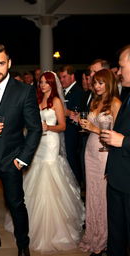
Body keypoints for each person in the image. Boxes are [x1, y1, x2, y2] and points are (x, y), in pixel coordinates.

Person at [4, 71, 85, 253]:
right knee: (33, 178)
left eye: (46, 82)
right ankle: (29, 224)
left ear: (52, 84)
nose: (42, 85)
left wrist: (48, 126)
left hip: (50, 143)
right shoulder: (36, 100)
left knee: (49, 179)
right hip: (37, 145)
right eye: (40, 82)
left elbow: (63, 126)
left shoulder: (56, 101)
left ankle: (53, 229)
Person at [0, 43, 42, 256]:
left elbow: (35, 128)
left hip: (12, 158)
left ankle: (23, 244)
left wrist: (22, 159)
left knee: (15, 203)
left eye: (1, 64)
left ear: (9, 63)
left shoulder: (24, 91)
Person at [79, 69, 121, 256]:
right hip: (91, 150)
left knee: (103, 196)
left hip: (105, 152)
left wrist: (93, 128)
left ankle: (103, 240)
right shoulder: (96, 101)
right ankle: (93, 234)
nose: (96, 86)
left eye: (101, 83)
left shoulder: (115, 103)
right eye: (95, 83)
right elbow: (92, 128)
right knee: (92, 194)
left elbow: (116, 132)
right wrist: (86, 126)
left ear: (109, 83)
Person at [100, 45, 130, 256]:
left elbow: (123, 138)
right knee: (116, 236)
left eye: (121, 67)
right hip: (117, 178)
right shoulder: (127, 94)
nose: (118, 72)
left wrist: (124, 141)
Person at [58, 65, 84, 185]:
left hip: (72, 133)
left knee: (72, 160)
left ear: (72, 76)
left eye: (64, 77)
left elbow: (76, 113)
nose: (61, 80)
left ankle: (76, 188)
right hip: (64, 132)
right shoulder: (63, 91)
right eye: (60, 77)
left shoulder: (78, 91)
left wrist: (64, 112)